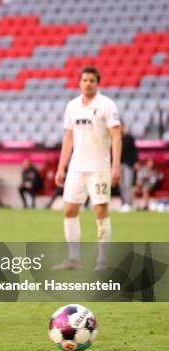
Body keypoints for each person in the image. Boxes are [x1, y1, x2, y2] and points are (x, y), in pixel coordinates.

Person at [54, 67, 122, 272]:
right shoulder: (72, 106)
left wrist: (116, 166)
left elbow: (117, 136)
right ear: (79, 83)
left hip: (99, 168)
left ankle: (102, 260)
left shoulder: (106, 105)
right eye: (84, 80)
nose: (87, 83)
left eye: (92, 80)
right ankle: (73, 258)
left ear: (97, 83)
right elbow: (68, 137)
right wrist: (61, 167)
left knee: (100, 210)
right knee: (69, 210)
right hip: (76, 167)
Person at [118, 130, 138, 212]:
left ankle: (128, 203)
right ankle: (123, 203)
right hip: (119, 165)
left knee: (128, 184)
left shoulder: (129, 138)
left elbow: (134, 151)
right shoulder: (115, 138)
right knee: (121, 185)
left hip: (128, 165)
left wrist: (136, 162)